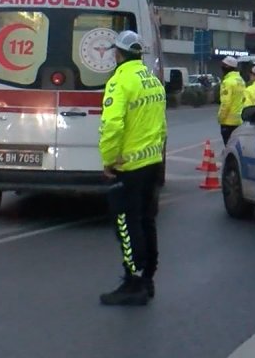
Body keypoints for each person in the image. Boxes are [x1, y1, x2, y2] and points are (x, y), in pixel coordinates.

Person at [97, 30, 166, 306]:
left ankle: (133, 281)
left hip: (129, 166)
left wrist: (109, 159)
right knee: (147, 220)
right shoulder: (153, 81)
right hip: (152, 162)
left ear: (119, 53)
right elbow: (161, 125)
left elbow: (112, 125)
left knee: (126, 223)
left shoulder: (120, 82)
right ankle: (148, 277)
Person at [217, 56, 245, 145]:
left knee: (229, 148)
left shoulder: (227, 82)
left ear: (227, 67)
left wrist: (220, 118)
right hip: (240, 120)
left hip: (228, 122)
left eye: (223, 65)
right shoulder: (241, 81)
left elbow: (226, 103)